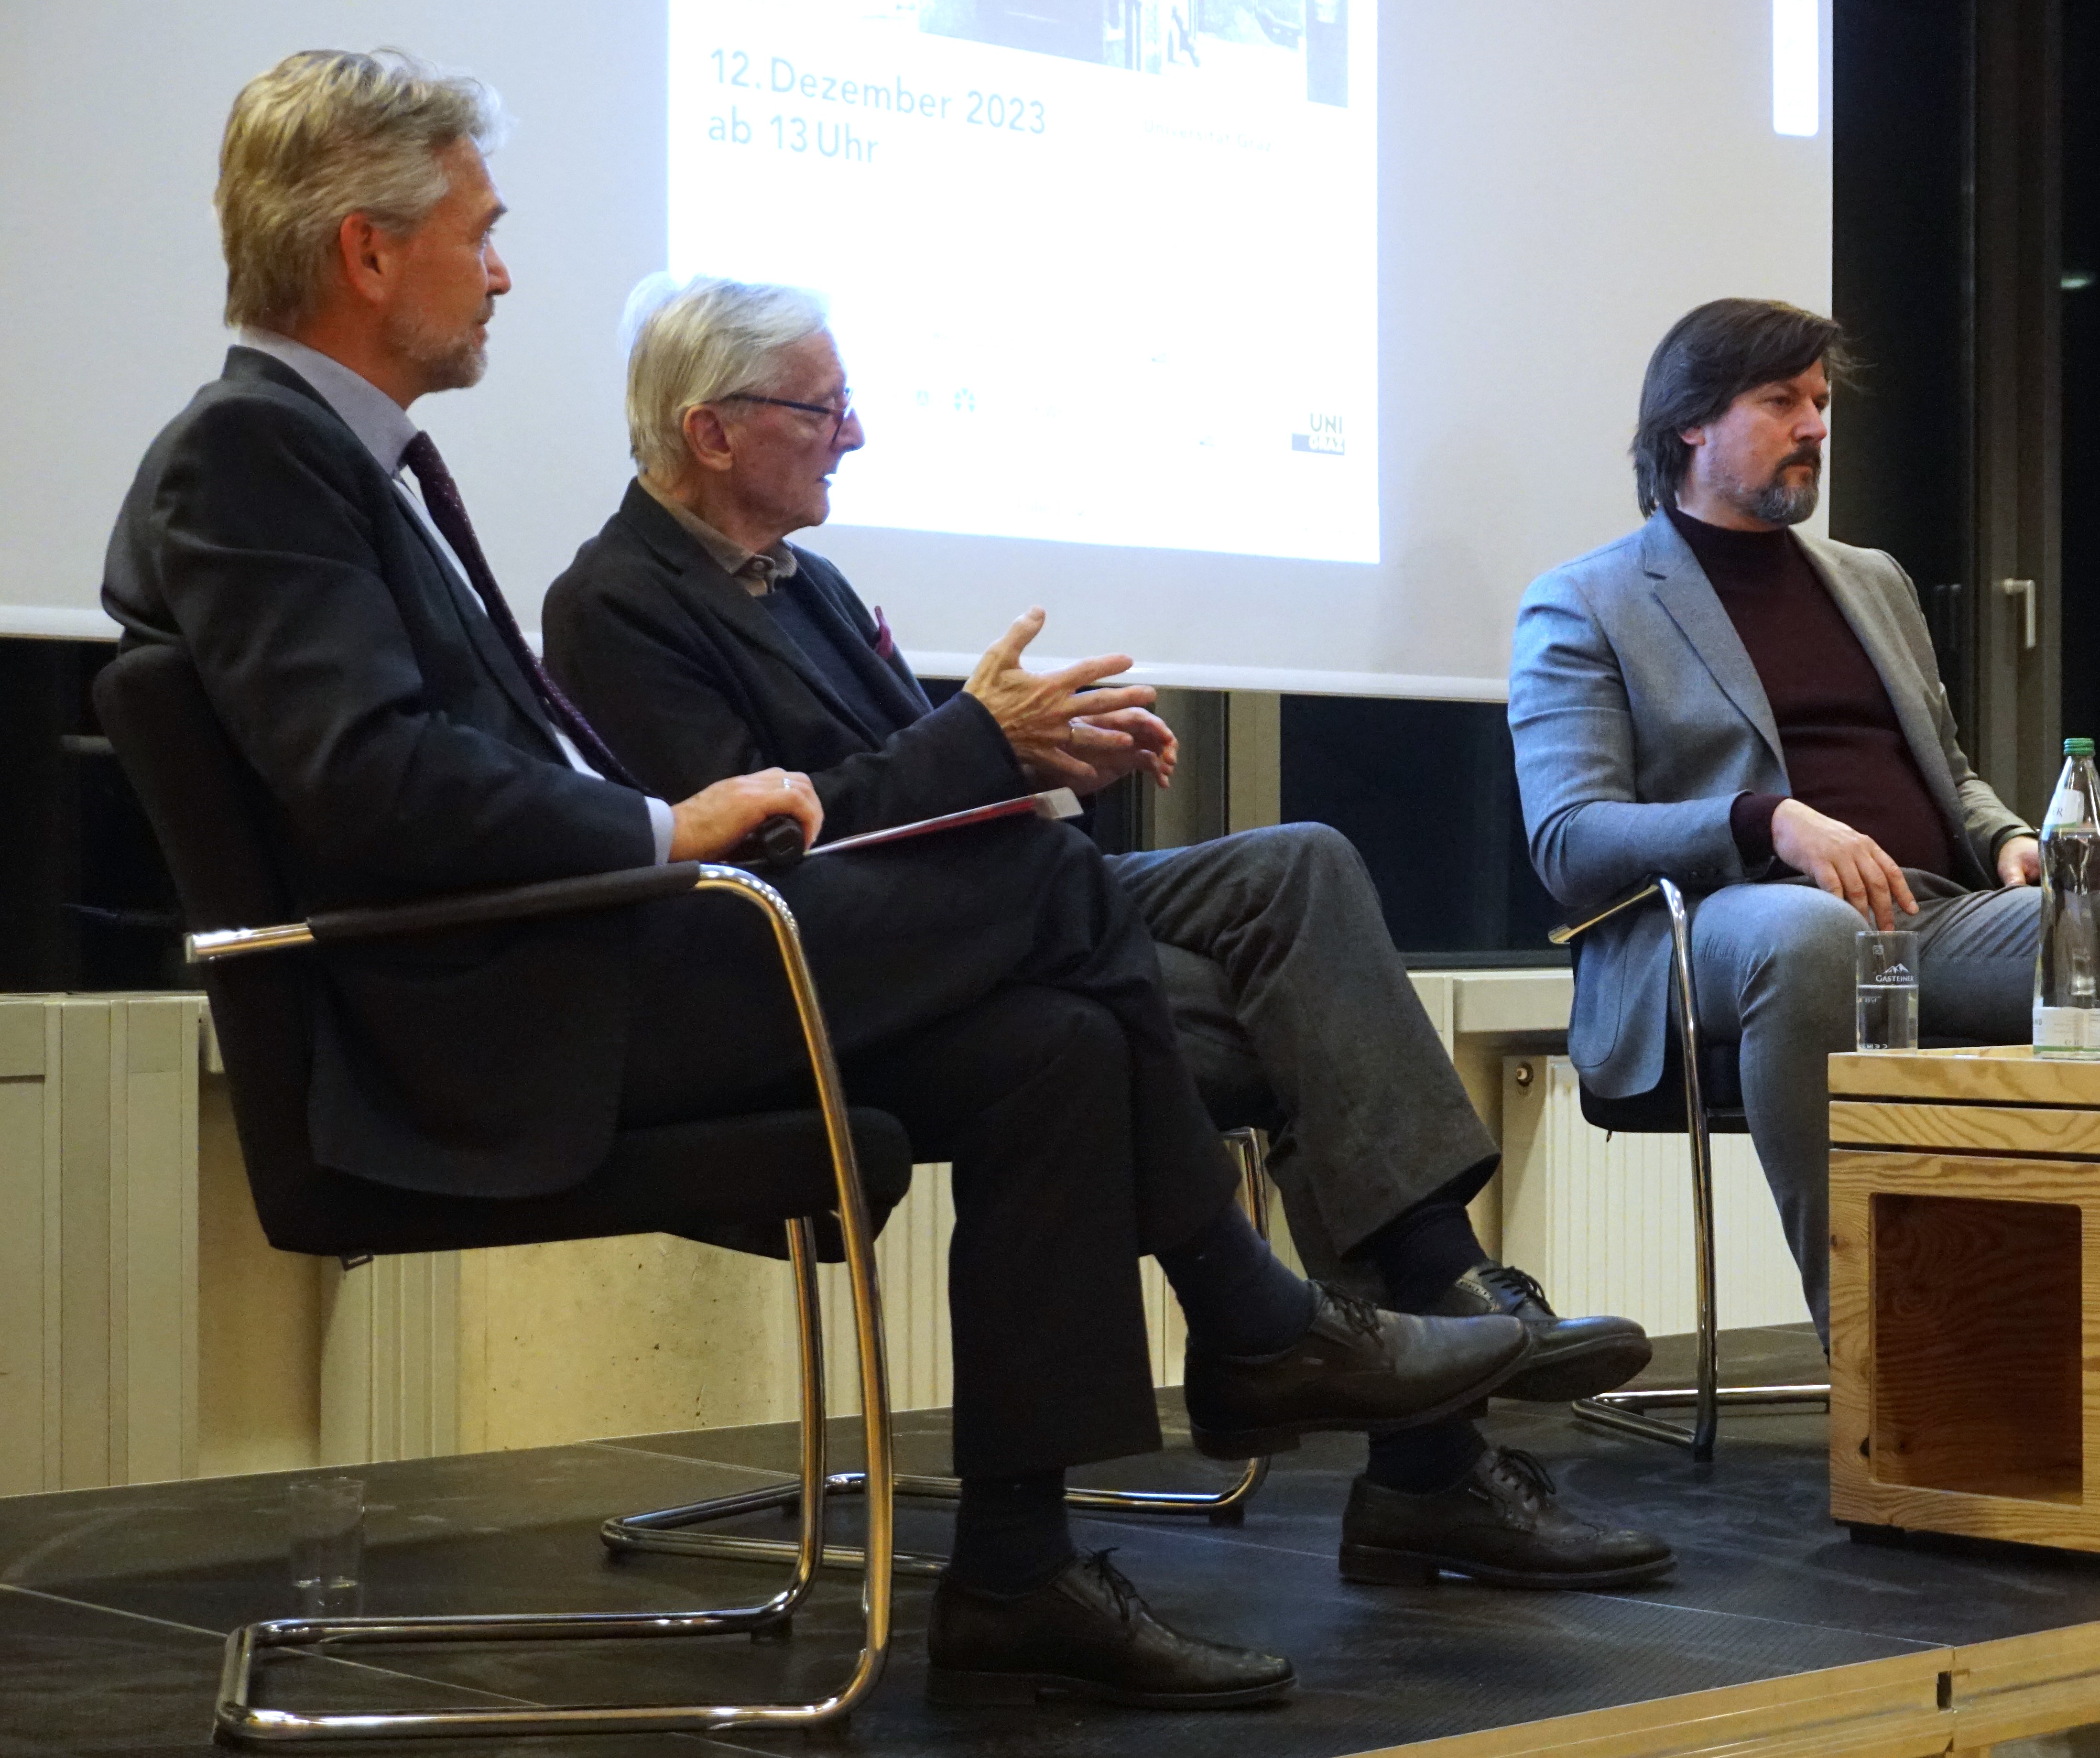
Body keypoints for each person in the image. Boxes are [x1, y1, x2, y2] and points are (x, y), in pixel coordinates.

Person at [102, 49, 1553, 1711]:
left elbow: (411, 764)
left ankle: (1020, 1570)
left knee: (1055, 1049)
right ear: (367, 249)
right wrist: (665, 829)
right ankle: (1250, 1311)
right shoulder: (257, 457)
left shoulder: (344, 461)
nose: (504, 269)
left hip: (577, 963)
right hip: (505, 1018)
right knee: (1052, 889)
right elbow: (367, 780)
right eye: (480, 232)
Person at [539, 275, 1669, 1594]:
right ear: (710, 429)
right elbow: (766, 842)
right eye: (823, 408)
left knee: (1295, 865)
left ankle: (1423, 1296)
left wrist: (1042, 751)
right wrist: (977, 740)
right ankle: (1416, 1431)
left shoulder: (811, 585)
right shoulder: (610, 601)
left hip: (990, 902)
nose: (853, 436)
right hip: (831, 976)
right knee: (1226, 1014)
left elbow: (893, 779)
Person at [1509, 297, 2100, 1329]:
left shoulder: (1871, 580)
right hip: (1725, 923)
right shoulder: (1586, 602)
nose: (1815, 425)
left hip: (1929, 913)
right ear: (1690, 424)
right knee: (1810, 932)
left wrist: (2003, 838)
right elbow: (1568, 838)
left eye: (1819, 402)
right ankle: (1874, 1341)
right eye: (1781, 402)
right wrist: (1764, 820)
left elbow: (1946, 768)